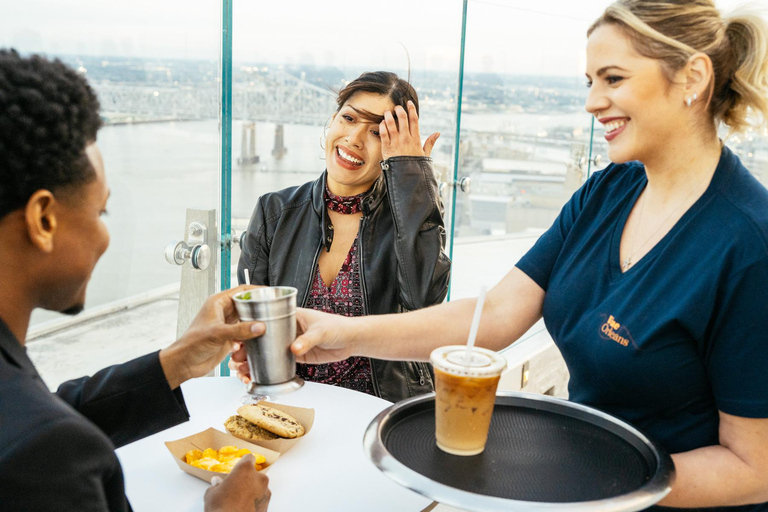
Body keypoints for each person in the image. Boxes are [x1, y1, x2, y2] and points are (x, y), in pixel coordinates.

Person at [242, 1, 768, 509]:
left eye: (613, 79)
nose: (591, 103)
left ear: (693, 78)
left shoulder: (749, 244)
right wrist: (338, 335)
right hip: (578, 485)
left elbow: (754, 470)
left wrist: (591, 483)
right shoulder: (606, 193)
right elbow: (493, 315)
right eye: (590, 83)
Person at [0, 49, 270, 512]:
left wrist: (176, 362)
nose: (106, 235)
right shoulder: (46, 456)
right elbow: (43, 434)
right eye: (100, 211)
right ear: (42, 219)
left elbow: (45, 409)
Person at [232, 71, 451, 402]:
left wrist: (412, 177)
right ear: (332, 120)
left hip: (380, 415)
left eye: (377, 132)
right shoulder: (274, 212)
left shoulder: (410, 221)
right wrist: (249, 351)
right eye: (348, 118)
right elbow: (252, 319)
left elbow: (425, 304)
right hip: (291, 407)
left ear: (394, 147)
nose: (354, 138)